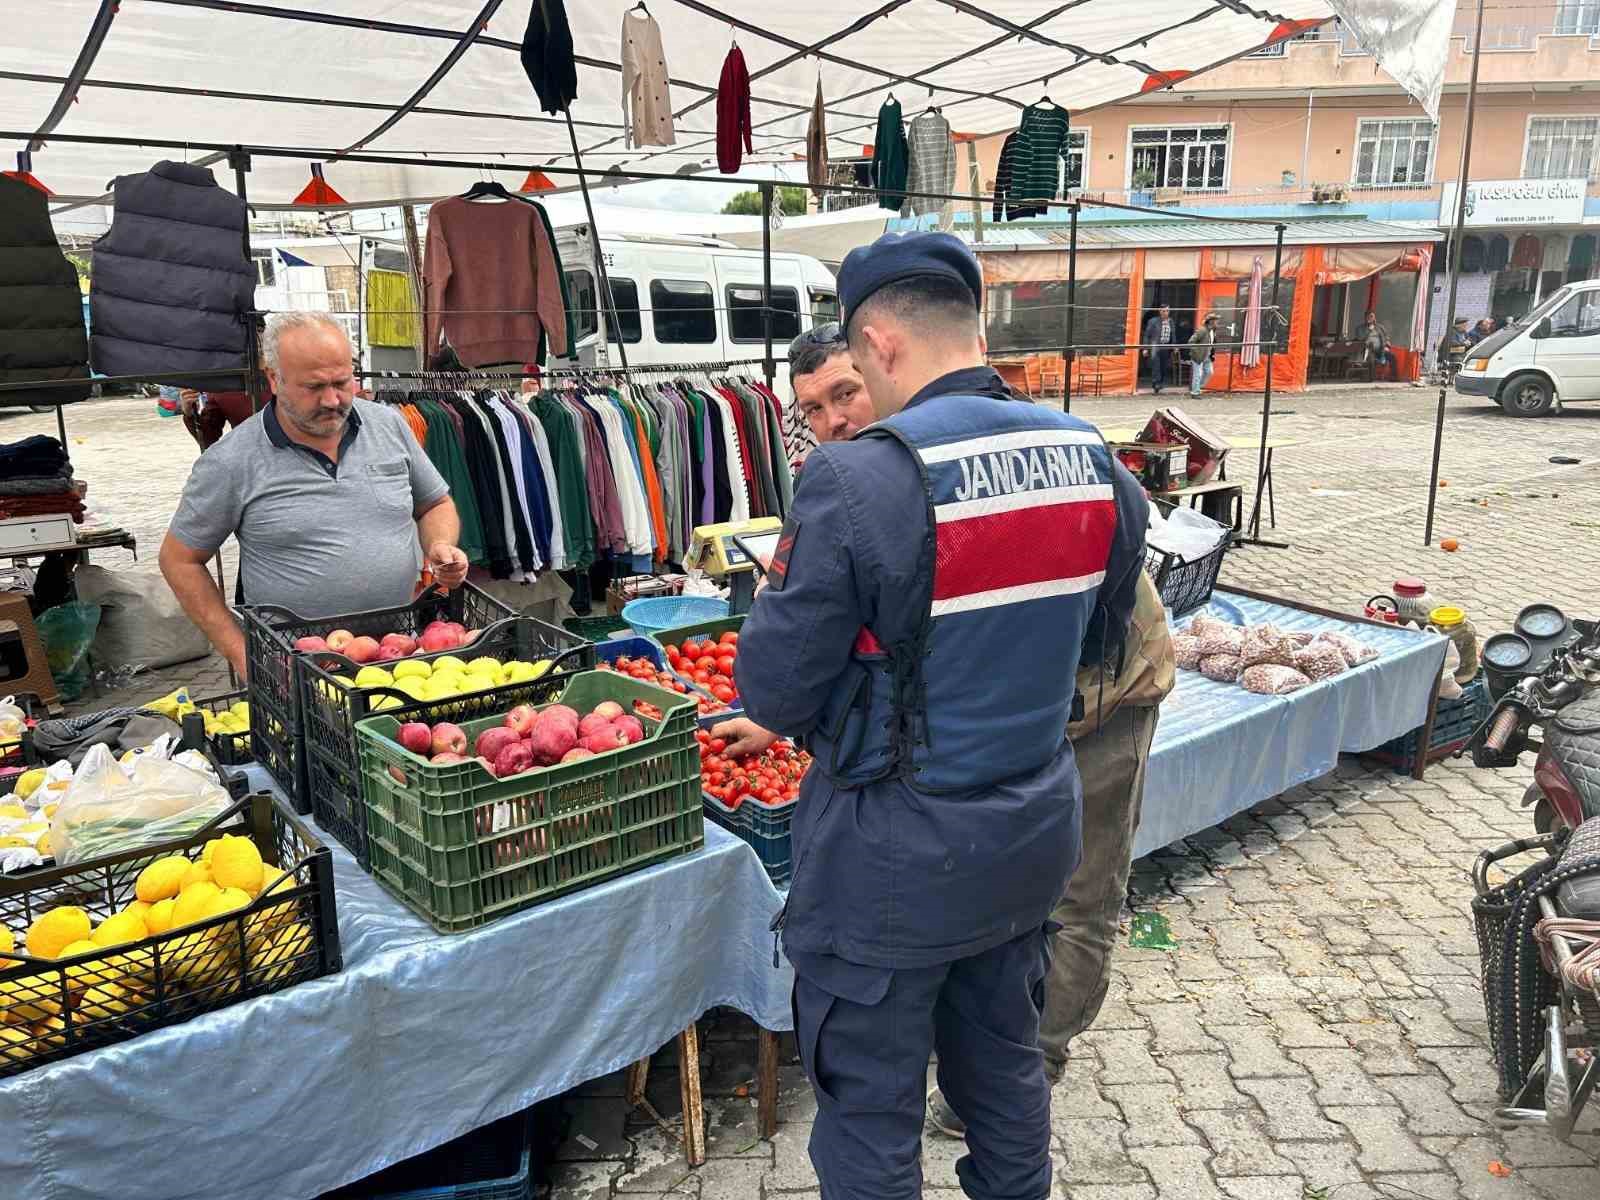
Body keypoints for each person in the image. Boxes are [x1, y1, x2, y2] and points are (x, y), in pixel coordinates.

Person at [736, 232, 1149, 1199]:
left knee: (871, 1108)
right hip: (1028, 834)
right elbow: (1100, 640)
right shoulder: (1090, 456)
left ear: (878, 343)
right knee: (1003, 1068)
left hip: (892, 860)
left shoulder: (857, 478)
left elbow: (775, 693)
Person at [159, 312, 469, 677]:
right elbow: (179, 560)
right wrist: (242, 653)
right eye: (314, 387)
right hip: (295, 672)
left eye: (342, 382)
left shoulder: (388, 426)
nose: (332, 400)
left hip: (399, 655)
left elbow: (434, 502)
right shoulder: (232, 460)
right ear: (274, 379)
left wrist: (440, 545)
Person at [716, 322, 878, 759]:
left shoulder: (841, 480)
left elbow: (790, 655)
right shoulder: (835, 476)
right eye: (813, 410)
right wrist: (772, 723)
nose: (834, 422)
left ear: (881, 372)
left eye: (845, 393)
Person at [1141, 303, 1178, 394]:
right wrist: (1145, 348)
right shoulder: (1153, 321)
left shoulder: (1171, 321)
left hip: (1166, 346)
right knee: (1156, 365)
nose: (1165, 313)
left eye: (1167, 311)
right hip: (1155, 345)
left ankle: (1160, 382)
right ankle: (1156, 384)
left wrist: (1175, 346)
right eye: (1163, 311)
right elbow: (1147, 335)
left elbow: (1173, 335)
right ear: (1159, 311)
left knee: (1163, 365)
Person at [1186, 312, 1219, 398]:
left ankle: (1197, 387)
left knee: (1209, 372)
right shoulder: (1202, 330)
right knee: (1198, 374)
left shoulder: (1212, 331)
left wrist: (1212, 353)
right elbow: (1191, 342)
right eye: (1216, 321)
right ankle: (1195, 392)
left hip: (1207, 355)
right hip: (1199, 356)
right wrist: (1197, 352)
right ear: (1211, 322)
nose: (1217, 323)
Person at [1357, 310, 1397, 377]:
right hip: (1368, 350)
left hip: (1381, 349)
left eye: (1372, 317)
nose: (1370, 318)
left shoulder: (1380, 327)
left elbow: (1386, 336)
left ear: (1374, 318)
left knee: (1392, 357)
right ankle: (1370, 377)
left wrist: (1387, 344)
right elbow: (1360, 338)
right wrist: (1369, 330)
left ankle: (1394, 377)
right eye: (1368, 317)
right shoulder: (1360, 328)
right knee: (1371, 359)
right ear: (1365, 318)